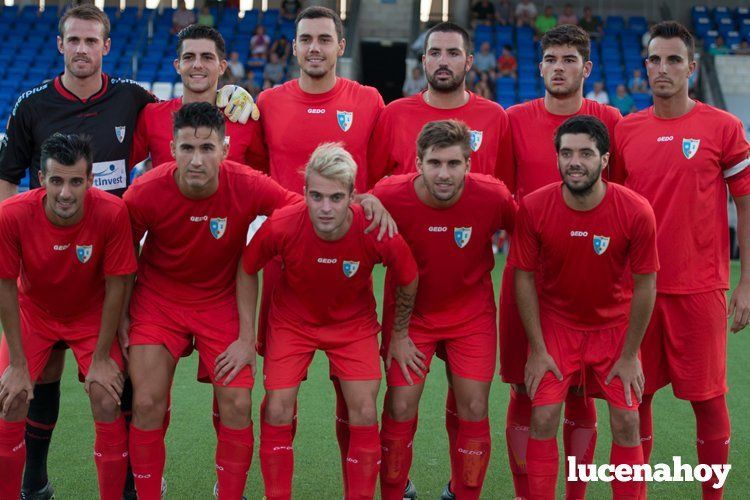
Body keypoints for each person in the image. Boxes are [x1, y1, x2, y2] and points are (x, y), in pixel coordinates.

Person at [122, 102, 300, 500]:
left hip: (221, 302)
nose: (197, 159)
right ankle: (150, 490)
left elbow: (296, 210)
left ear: (224, 149)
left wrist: (260, 249)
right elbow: (122, 254)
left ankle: (230, 492)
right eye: (187, 148)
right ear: (171, 149)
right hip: (158, 301)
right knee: (147, 399)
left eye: (207, 149)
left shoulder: (247, 182)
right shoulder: (146, 191)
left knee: (237, 402)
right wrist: (120, 319)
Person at [244, 6, 386, 490]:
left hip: (350, 275)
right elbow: (253, 172)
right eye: (306, 39)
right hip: (287, 271)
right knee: (279, 400)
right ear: (295, 46)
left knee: (357, 399)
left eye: (325, 39)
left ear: (340, 47)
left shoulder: (368, 100)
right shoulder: (267, 102)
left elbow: (385, 174)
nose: (315, 48)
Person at [612, 21, 750, 498]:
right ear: (644, 66)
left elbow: (746, 205)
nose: (664, 68)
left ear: (692, 67)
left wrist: (747, 282)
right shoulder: (625, 130)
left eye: (674, 60)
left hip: (700, 288)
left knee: (709, 400)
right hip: (638, 291)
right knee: (637, 395)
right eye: (655, 59)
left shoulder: (723, 127)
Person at [240, 143, 418, 500]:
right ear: (304, 192)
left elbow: (409, 275)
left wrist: (398, 335)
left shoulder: (373, 227)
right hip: (293, 321)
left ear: (353, 195)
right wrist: (246, 337)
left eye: (336, 198)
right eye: (316, 195)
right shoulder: (283, 225)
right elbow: (247, 268)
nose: (324, 208)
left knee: (366, 411)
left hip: (353, 324)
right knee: (277, 408)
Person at [502, 24, 622, 500]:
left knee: (582, 392)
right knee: (523, 389)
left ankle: (574, 494)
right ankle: (526, 492)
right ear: (540, 66)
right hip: (528, 278)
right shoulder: (514, 119)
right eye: (550, 59)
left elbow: (622, 196)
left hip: (589, 280)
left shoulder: (610, 118)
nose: (558, 68)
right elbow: (502, 194)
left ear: (586, 68)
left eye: (568, 60)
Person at [512, 115, 658, 500]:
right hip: (557, 328)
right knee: (542, 417)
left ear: (604, 159)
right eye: (566, 153)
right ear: (557, 157)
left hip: (613, 330)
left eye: (585, 153)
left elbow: (646, 285)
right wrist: (538, 349)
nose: (574, 161)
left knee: (627, 421)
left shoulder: (635, 210)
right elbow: (522, 277)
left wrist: (630, 355)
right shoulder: (533, 207)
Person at [374, 120, 516, 500]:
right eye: (434, 162)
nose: (443, 173)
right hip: (411, 319)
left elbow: (529, 236)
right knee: (401, 404)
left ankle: (463, 492)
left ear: (469, 164)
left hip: (471, 316)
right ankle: (395, 491)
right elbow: (354, 238)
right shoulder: (389, 194)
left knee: (473, 405)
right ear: (417, 162)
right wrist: (392, 333)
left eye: (454, 163)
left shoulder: (493, 196)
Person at [0, 133, 137, 500]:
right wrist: (17, 362)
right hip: (35, 314)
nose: (65, 192)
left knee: (106, 396)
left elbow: (117, 284)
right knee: (10, 398)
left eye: (76, 181)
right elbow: (6, 287)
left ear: (90, 180)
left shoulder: (111, 211)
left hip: (90, 315)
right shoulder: (11, 215)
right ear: (41, 179)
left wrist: (104, 356)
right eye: (57, 180)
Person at [368, 22, 514, 185]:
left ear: (469, 62)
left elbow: (505, 187)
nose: (443, 61)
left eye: (453, 53)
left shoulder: (495, 116)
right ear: (424, 61)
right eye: (435, 53)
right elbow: (371, 184)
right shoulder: (394, 114)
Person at [131, 25, 262, 170]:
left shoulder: (243, 117)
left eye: (207, 57)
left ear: (222, 67)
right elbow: (118, 167)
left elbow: (263, 180)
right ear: (177, 66)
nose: (197, 64)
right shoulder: (152, 116)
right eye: (188, 57)